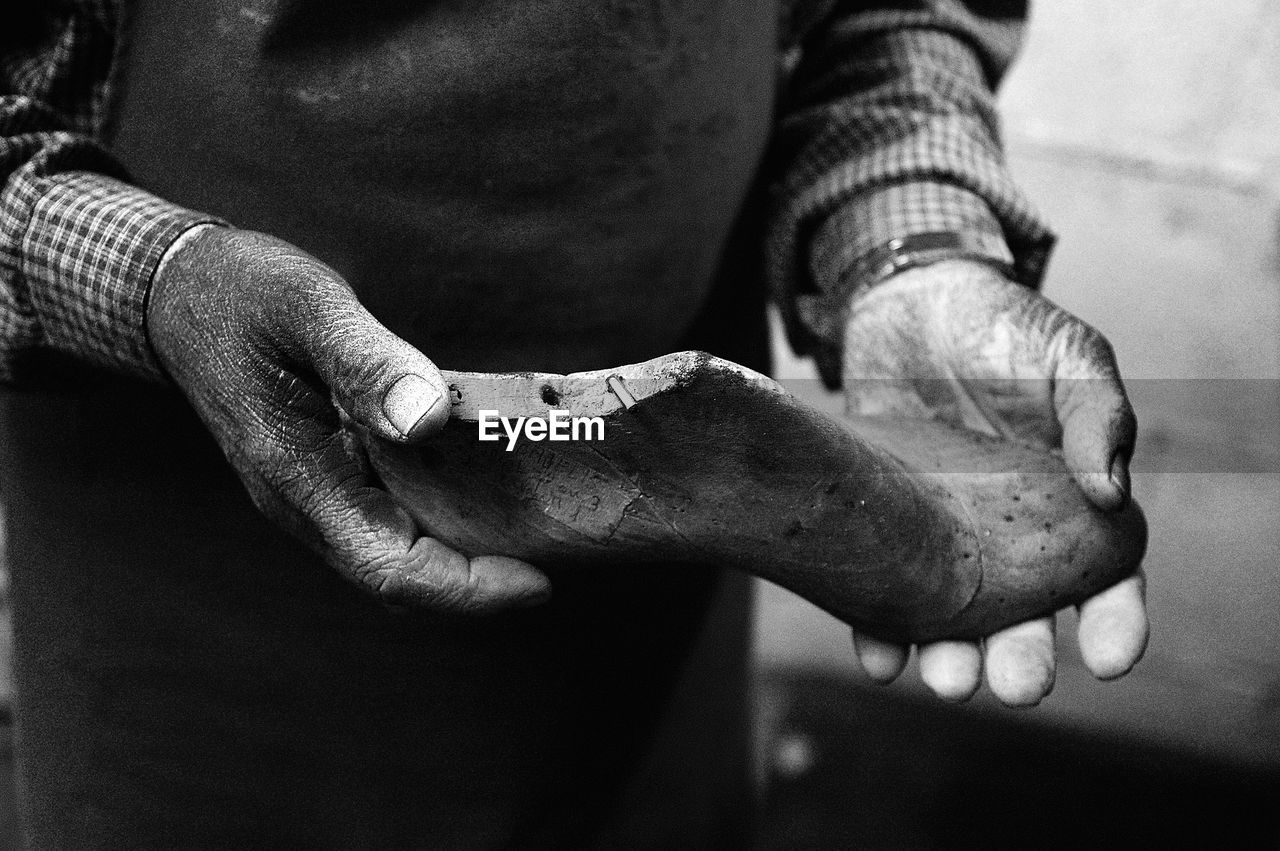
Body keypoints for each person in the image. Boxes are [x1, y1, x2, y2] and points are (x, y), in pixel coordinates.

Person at [0, 0, 1148, 846]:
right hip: (191, 611)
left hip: (664, 591)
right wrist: (159, 284)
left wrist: (903, 245)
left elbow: (881, 14)